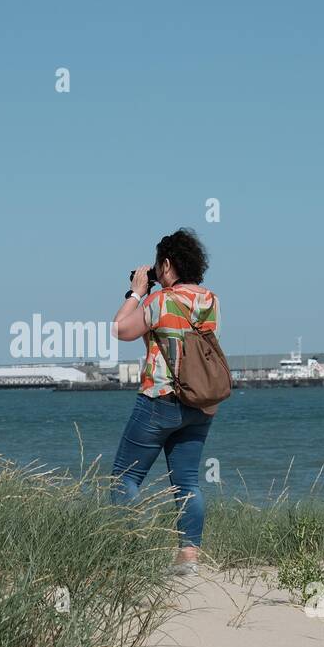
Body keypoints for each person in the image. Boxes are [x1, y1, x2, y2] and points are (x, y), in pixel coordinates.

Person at [111, 228, 220, 576]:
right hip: (200, 402)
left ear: (167, 264)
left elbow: (120, 329)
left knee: (122, 479)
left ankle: (127, 553)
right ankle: (188, 556)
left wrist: (137, 291)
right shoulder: (210, 300)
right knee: (187, 481)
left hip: (160, 399)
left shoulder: (159, 302)